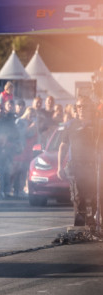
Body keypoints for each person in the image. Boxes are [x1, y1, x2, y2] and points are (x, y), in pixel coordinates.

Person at [57, 96, 101, 227]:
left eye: (85, 106)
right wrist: (59, 167)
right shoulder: (70, 125)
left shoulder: (98, 125)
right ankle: (80, 227)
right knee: (78, 197)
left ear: (90, 108)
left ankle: (92, 225)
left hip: (93, 167)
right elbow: (63, 146)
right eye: (79, 106)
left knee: (94, 197)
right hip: (75, 167)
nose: (81, 109)